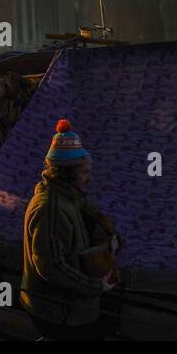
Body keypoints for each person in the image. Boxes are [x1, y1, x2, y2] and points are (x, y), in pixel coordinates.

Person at [21, 119, 122, 340]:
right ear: (67, 173)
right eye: (85, 172)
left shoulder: (68, 196)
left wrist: (110, 236)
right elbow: (51, 267)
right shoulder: (50, 209)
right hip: (60, 313)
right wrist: (97, 286)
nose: (90, 178)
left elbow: (93, 214)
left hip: (67, 307)